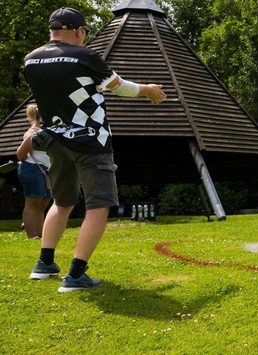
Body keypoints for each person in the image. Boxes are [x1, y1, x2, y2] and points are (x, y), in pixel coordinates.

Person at [23, 7, 166, 292]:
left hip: (55, 139)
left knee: (62, 203)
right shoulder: (84, 55)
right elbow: (119, 87)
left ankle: (45, 264)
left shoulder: (31, 60)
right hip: (91, 140)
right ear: (78, 31)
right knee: (98, 206)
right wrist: (147, 89)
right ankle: (76, 275)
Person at [15, 104, 52, 239]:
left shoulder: (48, 131)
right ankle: (32, 236)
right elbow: (20, 154)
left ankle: (40, 236)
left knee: (42, 204)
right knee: (33, 203)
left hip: (45, 171)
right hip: (32, 168)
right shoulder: (33, 132)